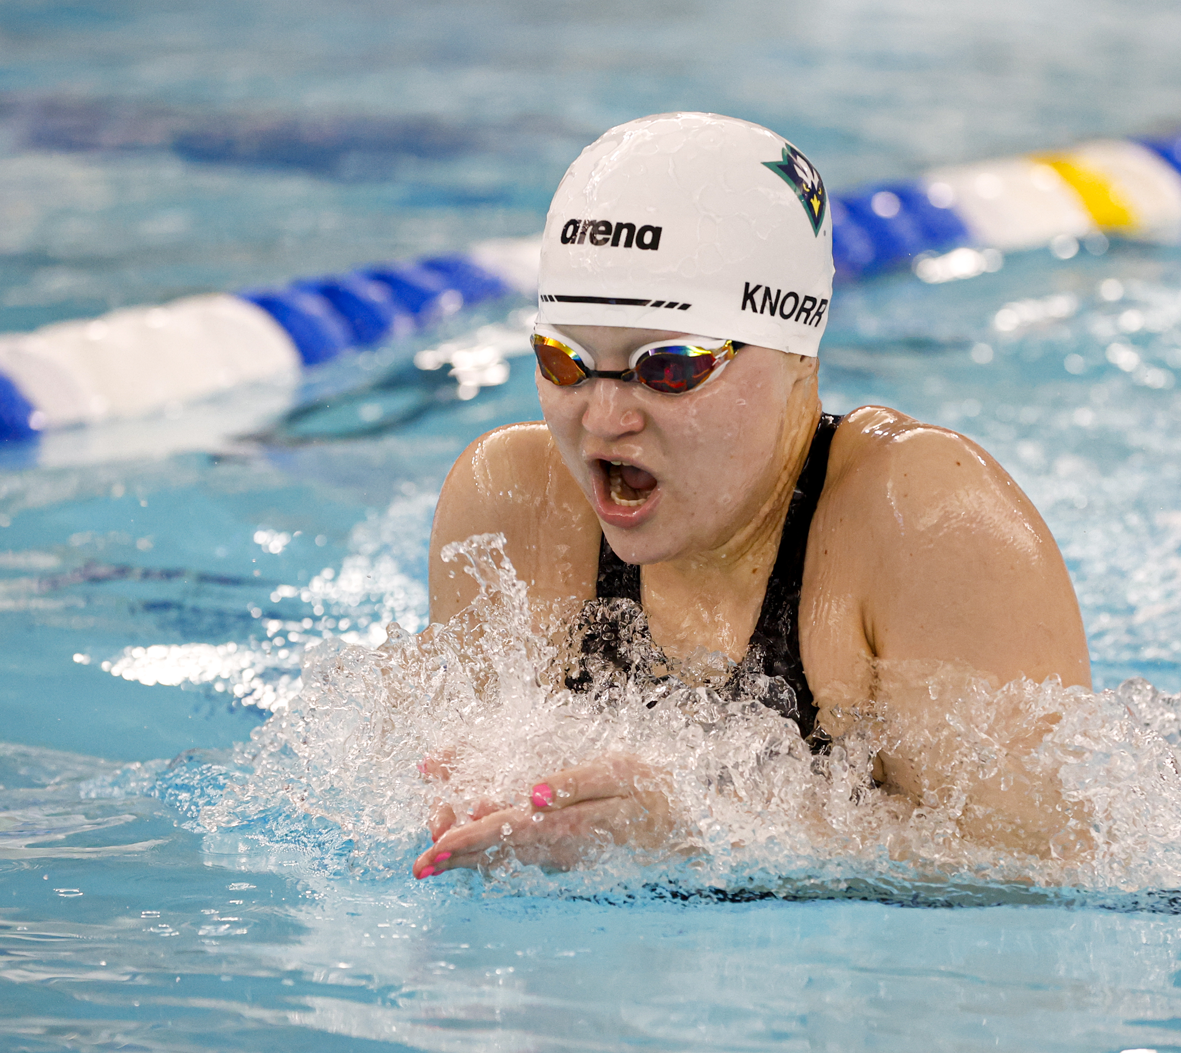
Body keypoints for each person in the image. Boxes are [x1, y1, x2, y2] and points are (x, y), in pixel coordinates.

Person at [413, 112, 1090, 878]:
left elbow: (1052, 873)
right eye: (564, 360)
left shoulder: (925, 521)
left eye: (669, 367)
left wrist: (718, 827)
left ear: (798, 349)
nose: (603, 417)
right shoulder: (513, 505)